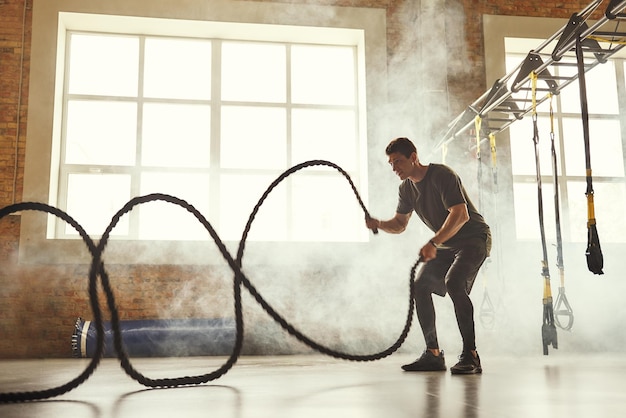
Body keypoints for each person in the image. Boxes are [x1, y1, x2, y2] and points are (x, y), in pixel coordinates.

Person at [365, 137, 491, 374]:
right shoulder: (406, 189)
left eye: (398, 161)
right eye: (391, 164)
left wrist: (434, 241)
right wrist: (379, 223)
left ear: (414, 157)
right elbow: (400, 224)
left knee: (454, 282)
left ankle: (471, 356)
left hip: (474, 238)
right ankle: (433, 354)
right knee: (420, 286)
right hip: (446, 244)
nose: (394, 168)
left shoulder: (442, 175)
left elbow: (461, 214)